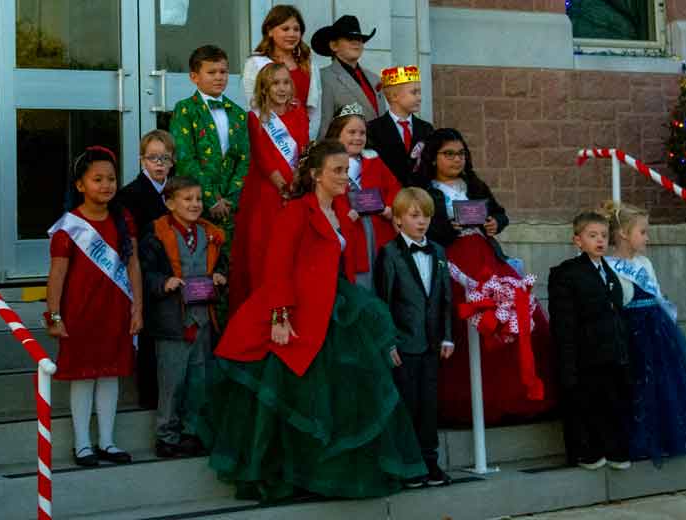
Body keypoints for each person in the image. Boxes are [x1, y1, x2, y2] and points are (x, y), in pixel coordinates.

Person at [196, 140, 427, 501]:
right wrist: (279, 316)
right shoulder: (296, 211)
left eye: (346, 170)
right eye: (337, 170)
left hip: (331, 309)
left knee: (333, 399)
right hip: (295, 313)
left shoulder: (339, 209)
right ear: (316, 175)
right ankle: (292, 475)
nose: (344, 177)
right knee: (294, 398)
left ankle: (322, 473)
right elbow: (278, 264)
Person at [418, 128, 558, 426]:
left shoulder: (474, 184)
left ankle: (517, 397)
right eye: (448, 154)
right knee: (463, 322)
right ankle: (466, 403)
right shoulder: (426, 190)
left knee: (515, 314)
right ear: (433, 158)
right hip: (451, 259)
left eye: (460, 153)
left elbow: (498, 212)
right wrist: (447, 227)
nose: (456, 159)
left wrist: (496, 222)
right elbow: (421, 225)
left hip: (486, 257)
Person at [45, 146, 141, 467]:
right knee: (84, 376)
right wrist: (54, 314)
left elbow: (133, 266)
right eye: (97, 179)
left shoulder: (124, 219)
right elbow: (57, 275)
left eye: (111, 179)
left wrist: (138, 308)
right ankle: (83, 444)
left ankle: (108, 441)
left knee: (110, 375)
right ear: (80, 185)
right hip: (80, 312)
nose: (106, 185)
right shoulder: (69, 226)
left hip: (116, 308)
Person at [599, 201, 686, 467]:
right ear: (624, 234)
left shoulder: (645, 263)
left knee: (662, 384)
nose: (647, 238)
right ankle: (638, 439)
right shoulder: (608, 265)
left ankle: (666, 436)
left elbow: (656, 293)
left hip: (655, 328)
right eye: (643, 232)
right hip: (630, 329)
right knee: (638, 385)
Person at [139, 176, 228, 459]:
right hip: (172, 322)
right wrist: (162, 283)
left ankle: (192, 432)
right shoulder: (156, 234)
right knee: (172, 381)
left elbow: (222, 264)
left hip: (202, 317)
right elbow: (145, 272)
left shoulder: (210, 233)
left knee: (198, 380)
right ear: (169, 203)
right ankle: (167, 435)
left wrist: (220, 275)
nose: (195, 204)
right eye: (187, 199)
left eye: (198, 199)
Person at [374, 188, 455, 488]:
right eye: (414, 215)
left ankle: (430, 462)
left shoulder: (438, 251)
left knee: (429, 404)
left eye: (427, 216)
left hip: (432, 343)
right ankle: (409, 465)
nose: (422, 222)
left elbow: (445, 298)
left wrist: (447, 336)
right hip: (403, 344)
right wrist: (388, 342)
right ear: (397, 221)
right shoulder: (389, 254)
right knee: (407, 404)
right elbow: (383, 300)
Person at [547, 211, 632, 471]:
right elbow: (563, 322)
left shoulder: (609, 271)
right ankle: (587, 450)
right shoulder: (567, 273)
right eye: (592, 235)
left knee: (612, 401)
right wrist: (568, 362)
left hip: (612, 351)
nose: (600, 241)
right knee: (586, 403)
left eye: (604, 236)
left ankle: (614, 448)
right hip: (585, 353)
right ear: (578, 241)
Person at [229, 63, 309, 311]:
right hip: (266, 192)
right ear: (264, 87)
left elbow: (304, 150)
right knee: (263, 248)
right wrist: (284, 188)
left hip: (296, 188)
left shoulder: (299, 113)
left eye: (286, 82)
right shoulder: (255, 117)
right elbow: (263, 158)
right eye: (275, 83)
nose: (282, 88)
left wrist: (297, 182)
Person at [114, 129, 174, 410]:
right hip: (147, 276)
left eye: (164, 158)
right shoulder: (130, 195)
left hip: (175, 277)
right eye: (152, 158)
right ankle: (150, 399)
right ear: (141, 161)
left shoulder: (179, 192)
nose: (159, 163)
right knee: (149, 340)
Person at [170, 45, 249, 259]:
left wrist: (229, 199)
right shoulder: (185, 109)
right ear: (194, 77)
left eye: (223, 72)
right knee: (196, 260)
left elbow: (244, 160)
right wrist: (211, 198)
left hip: (229, 207)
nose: (219, 78)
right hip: (196, 203)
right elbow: (186, 159)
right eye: (211, 72)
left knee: (227, 263)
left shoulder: (239, 114)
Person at [326, 102, 401, 289]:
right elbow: (326, 197)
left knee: (382, 279)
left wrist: (390, 207)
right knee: (359, 283)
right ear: (337, 134)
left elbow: (394, 188)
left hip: (378, 230)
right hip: (350, 231)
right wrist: (344, 215)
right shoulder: (328, 163)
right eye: (351, 133)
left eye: (362, 133)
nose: (358, 138)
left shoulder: (373, 160)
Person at [241, 4, 322, 138]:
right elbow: (253, 106)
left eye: (296, 29)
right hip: (270, 139)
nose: (292, 34)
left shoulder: (309, 64)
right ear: (270, 31)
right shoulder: (256, 63)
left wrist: (309, 138)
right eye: (285, 29)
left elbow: (315, 109)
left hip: (301, 137)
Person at [312, 15, 386, 137]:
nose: (356, 42)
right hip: (345, 151)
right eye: (349, 38)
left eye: (360, 39)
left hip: (378, 152)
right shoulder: (323, 77)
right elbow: (324, 125)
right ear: (333, 46)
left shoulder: (375, 79)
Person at [367, 66, 433, 187]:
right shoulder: (373, 129)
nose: (419, 98)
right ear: (394, 96)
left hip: (421, 195)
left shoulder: (426, 128)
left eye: (419, 92)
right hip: (388, 195)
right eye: (414, 92)